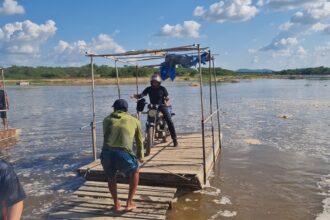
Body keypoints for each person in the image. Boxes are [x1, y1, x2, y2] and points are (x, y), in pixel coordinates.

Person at [100, 99, 144, 212]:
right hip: (123, 154)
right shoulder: (134, 120)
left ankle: (116, 204)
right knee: (135, 171)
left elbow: (107, 134)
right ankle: (129, 203)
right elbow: (139, 141)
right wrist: (141, 156)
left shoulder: (106, 120)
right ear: (126, 110)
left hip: (106, 153)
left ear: (114, 108)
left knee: (111, 177)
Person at [132, 73, 178, 147]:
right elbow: (141, 95)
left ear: (159, 82)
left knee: (169, 121)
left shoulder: (162, 88)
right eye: (153, 81)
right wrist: (135, 96)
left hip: (162, 106)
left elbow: (167, 97)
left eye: (156, 82)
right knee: (149, 120)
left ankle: (175, 139)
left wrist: (166, 101)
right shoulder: (148, 88)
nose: (154, 83)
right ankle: (148, 137)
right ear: (151, 82)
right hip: (153, 107)